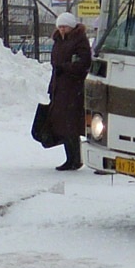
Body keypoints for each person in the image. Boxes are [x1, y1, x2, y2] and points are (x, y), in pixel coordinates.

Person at [48, 11, 92, 170]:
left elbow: (83, 63)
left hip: (73, 89)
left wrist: (65, 68)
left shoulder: (80, 41)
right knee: (62, 125)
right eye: (60, 27)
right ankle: (70, 158)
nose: (62, 30)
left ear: (72, 27)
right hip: (59, 87)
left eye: (65, 27)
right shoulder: (58, 41)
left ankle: (75, 159)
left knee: (71, 125)